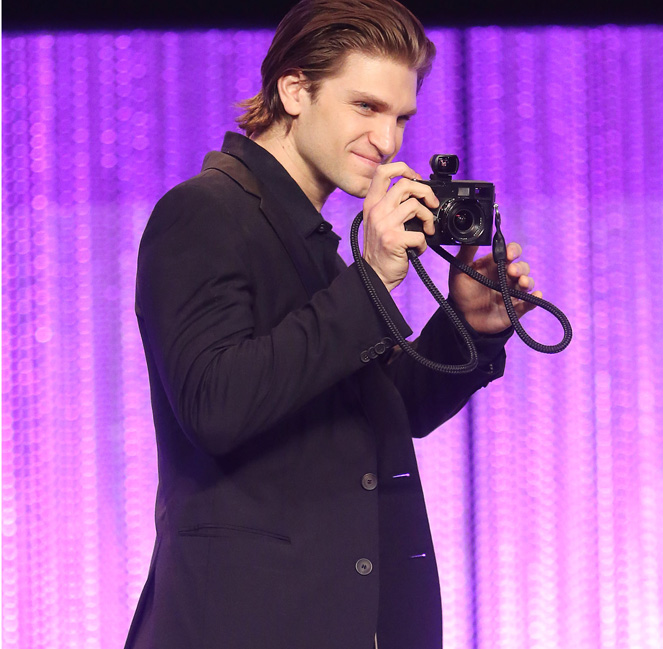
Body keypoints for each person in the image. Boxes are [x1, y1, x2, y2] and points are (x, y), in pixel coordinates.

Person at [124, 1, 540, 647]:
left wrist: (466, 323)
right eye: (365, 107)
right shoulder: (203, 212)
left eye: (400, 116)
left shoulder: (318, 241)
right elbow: (215, 406)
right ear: (294, 90)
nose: (390, 140)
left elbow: (377, 413)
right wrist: (370, 279)